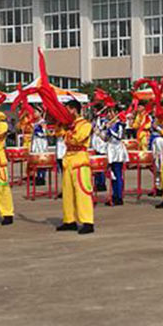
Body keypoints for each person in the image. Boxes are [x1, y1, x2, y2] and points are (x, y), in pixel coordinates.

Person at [55, 99, 95, 234]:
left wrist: (68, 131)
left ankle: (87, 221)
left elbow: (77, 139)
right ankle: (69, 220)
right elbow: (57, 133)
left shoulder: (85, 124)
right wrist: (60, 124)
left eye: (67, 109)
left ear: (74, 110)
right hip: (68, 160)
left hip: (80, 160)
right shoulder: (68, 124)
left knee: (82, 192)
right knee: (67, 193)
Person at [102, 105, 128, 205]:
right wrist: (100, 133)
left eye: (111, 112)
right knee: (112, 174)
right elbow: (106, 139)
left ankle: (119, 197)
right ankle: (114, 195)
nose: (109, 114)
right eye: (108, 112)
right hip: (111, 149)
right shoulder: (110, 124)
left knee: (117, 173)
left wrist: (110, 129)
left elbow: (120, 137)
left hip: (117, 150)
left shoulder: (120, 124)